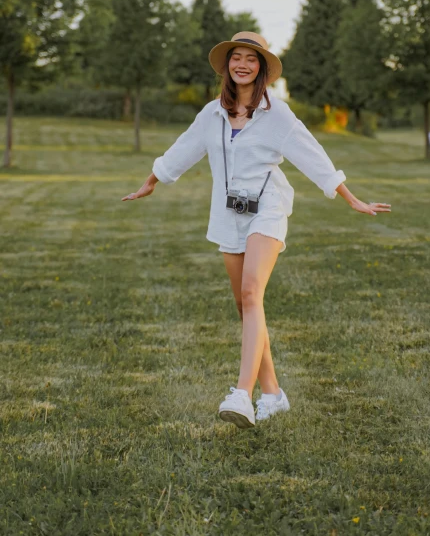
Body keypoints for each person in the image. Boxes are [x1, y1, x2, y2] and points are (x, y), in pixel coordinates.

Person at [122, 31, 391, 429]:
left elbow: (312, 153)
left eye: (251, 58)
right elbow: (184, 147)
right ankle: (273, 394)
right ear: (227, 65)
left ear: (262, 67)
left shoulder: (276, 113)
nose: (243, 64)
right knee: (245, 304)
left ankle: (241, 395)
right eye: (236, 57)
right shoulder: (212, 113)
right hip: (229, 213)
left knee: (251, 293)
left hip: (268, 207)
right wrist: (153, 179)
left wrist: (350, 197)